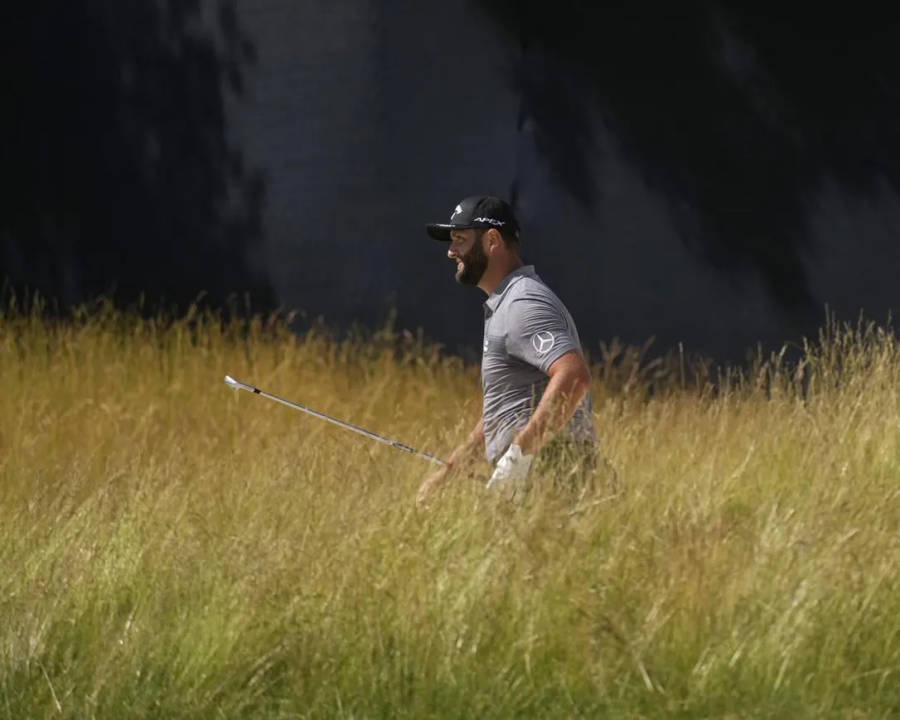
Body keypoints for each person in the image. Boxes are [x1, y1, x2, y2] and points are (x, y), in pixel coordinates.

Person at [417, 195, 596, 505]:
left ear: (492, 240)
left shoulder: (522, 303)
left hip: (554, 477)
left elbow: (574, 376)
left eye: (459, 240)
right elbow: (501, 415)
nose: (450, 251)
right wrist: (448, 474)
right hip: (538, 477)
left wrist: (518, 458)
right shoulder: (506, 303)